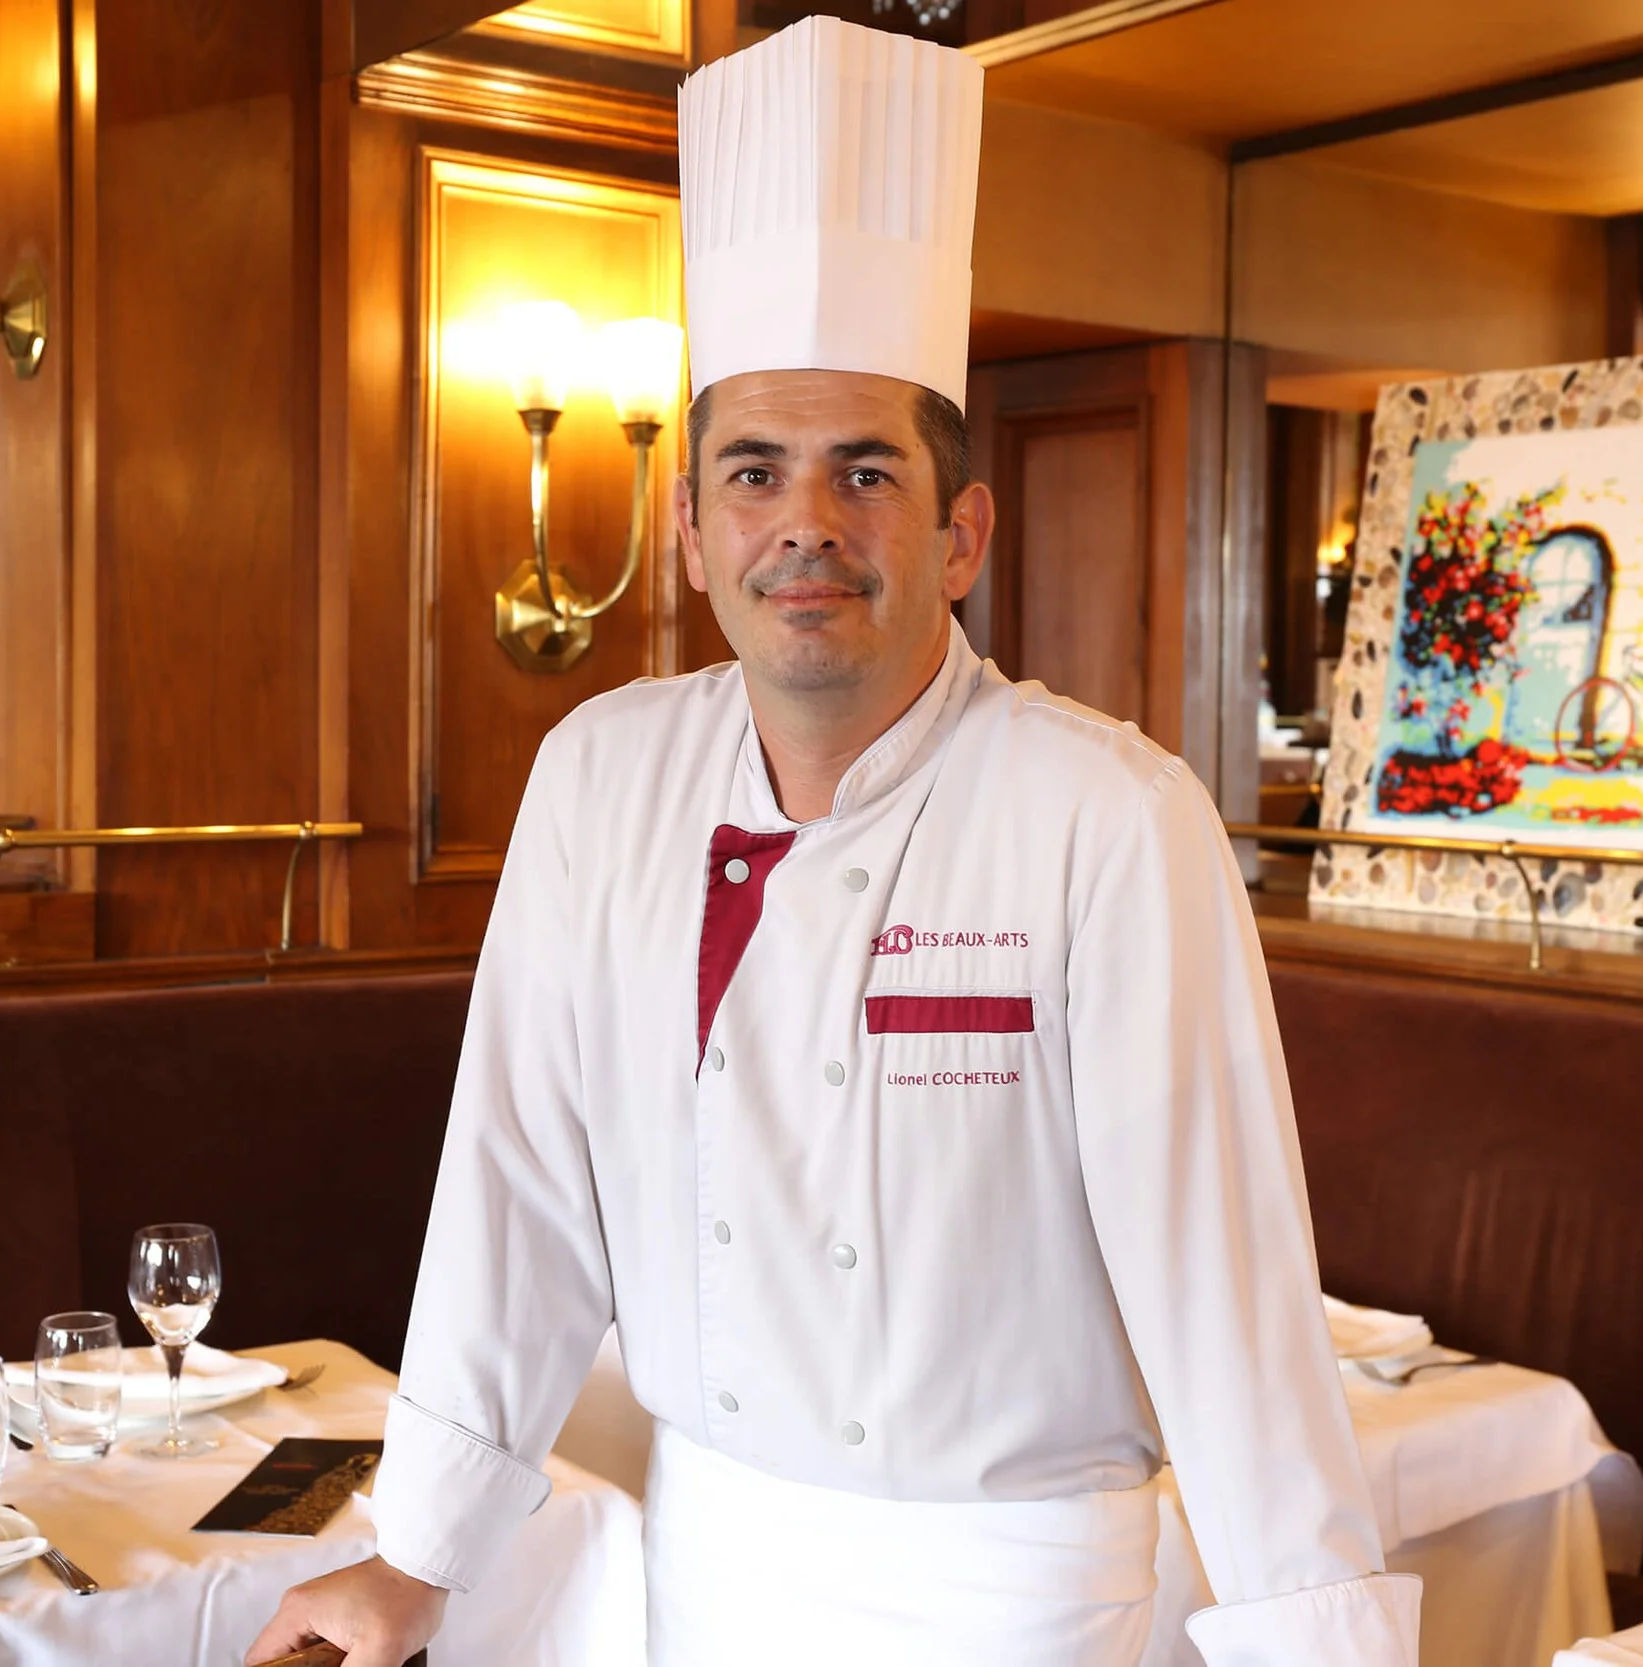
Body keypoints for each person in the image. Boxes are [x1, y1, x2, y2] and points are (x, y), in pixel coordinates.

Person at [247, 17, 1420, 1667]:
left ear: (962, 534)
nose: (807, 518)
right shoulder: (598, 776)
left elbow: (1226, 1292)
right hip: (709, 1554)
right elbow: (516, 1186)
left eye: (866, 469)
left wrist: (1322, 1648)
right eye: (756, 470)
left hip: (1014, 1586)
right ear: (691, 530)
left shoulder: (1110, 816)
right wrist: (417, 1550)